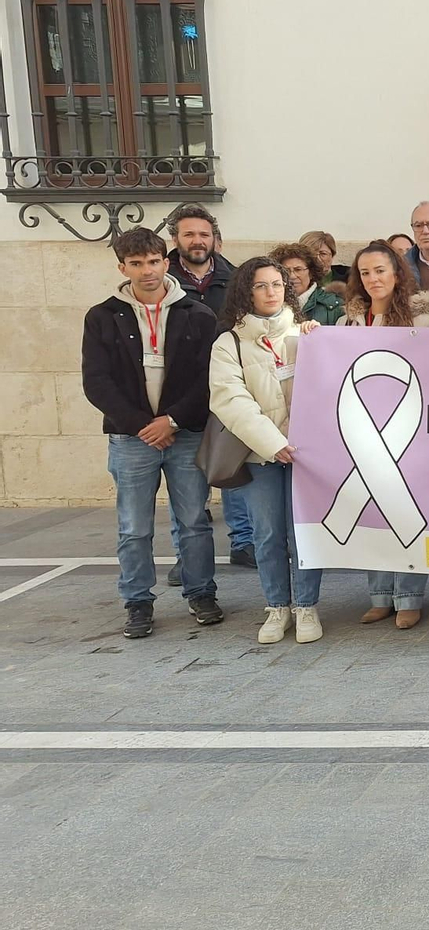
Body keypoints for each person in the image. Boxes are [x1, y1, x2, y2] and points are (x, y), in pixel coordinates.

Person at [82, 227, 222, 640]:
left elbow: (208, 378)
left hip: (185, 433)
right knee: (133, 525)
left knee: (194, 520)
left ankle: (201, 593)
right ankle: (137, 600)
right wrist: (142, 425)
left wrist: (173, 420)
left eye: (154, 261)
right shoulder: (103, 316)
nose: (147, 271)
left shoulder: (197, 313)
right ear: (122, 267)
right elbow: (97, 381)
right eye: (137, 263)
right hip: (132, 438)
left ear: (167, 261)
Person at [209, 257, 325, 645]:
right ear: (247, 291)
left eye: (277, 284)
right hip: (261, 455)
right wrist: (275, 445)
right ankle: (278, 607)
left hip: (307, 455)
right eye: (261, 286)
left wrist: (319, 339)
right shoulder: (229, 344)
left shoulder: (307, 333)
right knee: (267, 533)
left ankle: (307, 606)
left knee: (304, 534)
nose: (271, 292)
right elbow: (232, 401)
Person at [338, 241, 429, 628]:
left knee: (401, 503)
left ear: (396, 273)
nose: (372, 279)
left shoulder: (422, 321)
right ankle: (380, 595)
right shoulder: (347, 322)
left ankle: (410, 596)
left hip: (405, 427)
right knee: (370, 508)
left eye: (380, 271)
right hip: (363, 426)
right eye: (364, 273)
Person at [165, 204, 252, 574]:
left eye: (204, 234)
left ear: (215, 238)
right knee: (186, 481)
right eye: (189, 234)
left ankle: (243, 542)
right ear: (176, 239)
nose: (197, 241)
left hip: (226, 389)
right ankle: (186, 556)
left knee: (232, 467)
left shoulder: (235, 280)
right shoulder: (161, 278)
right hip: (181, 396)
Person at [268, 242, 344, 325]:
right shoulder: (270, 302)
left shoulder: (334, 305)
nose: (292, 276)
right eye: (286, 271)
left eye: (298, 269)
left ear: (311, 273)